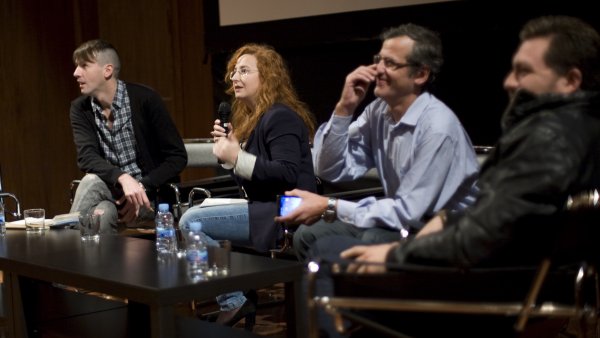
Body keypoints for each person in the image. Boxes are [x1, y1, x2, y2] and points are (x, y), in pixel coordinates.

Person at [312, 15, 600, 337]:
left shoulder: (549, 138)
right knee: (328, 244)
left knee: (329, 259)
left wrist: (395, 254)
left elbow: (481, 236)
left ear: (571, 80)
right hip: (499, 269)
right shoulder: (570, 129)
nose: (508, 82)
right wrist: (343, 107)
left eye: (524, 72)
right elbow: (500, 217)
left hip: (495, 284)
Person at [275, 23, 480, 262]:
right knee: (308, 235)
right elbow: (329, 168)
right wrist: (345, 108)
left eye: (390, 63)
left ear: (421, 74)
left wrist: (329, 206)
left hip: (451, 231)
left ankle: (356, 296)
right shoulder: (378, 112)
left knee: (372, 238)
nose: (378, 70)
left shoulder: (437, 128)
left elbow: (409, 212)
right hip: (405, 221)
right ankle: (329, 298)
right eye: (378, 60)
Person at [177, 43, 317, 328]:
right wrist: (231, 156)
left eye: (244, 71)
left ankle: (234, 300)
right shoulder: (257, 119)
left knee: (192, 223)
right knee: (193, 214)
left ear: (266, 77)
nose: (234, 78)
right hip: (266, 206)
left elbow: (287, 175)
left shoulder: (281, 116)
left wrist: (237, 156)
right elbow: (252, 183)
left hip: (288, 210)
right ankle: (238, 294)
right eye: (233, 73)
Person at [69, 39, 187, 233]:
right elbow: (86, 157)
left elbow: (177, 157)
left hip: (150, 198)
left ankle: (64, 247)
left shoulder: (145, 99)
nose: (76, 73)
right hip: (112, 193)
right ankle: (94, 262)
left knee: (91, 183)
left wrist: (141, 186)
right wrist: (123, 178)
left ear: (107, 71)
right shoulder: (80, 108)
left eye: (83, 66)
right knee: (103, 212)